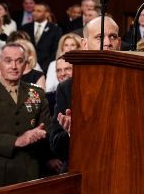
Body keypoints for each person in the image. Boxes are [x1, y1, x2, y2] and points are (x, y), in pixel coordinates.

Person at [48, 16, 121, 171]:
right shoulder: (67, 88)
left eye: (112, 37)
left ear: (119, 43)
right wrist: (71, 133)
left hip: (119, 169)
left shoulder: (131, 83)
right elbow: (56, 146)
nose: (107, 43)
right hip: (80, 171)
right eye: (100, 37)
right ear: (85, 44)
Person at [0, 43, 54, 188]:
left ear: (25, 65)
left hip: (31, 172)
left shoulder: (37, 94)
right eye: (8, 61)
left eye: (19, 61)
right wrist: (16, 141)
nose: (14, 66)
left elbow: (47, 130)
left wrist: (41, 134)